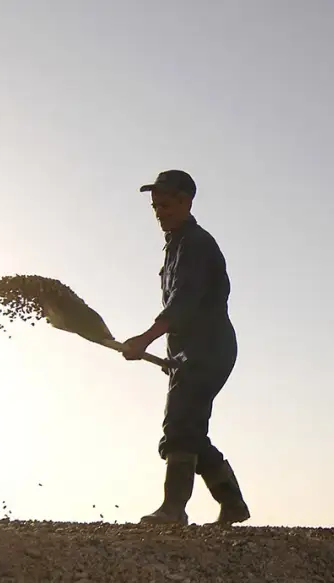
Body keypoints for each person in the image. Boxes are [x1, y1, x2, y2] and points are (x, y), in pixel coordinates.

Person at [122, 169, 250, 526]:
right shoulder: (175, 245)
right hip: (189, 352)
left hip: (208, 349)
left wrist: (144, 340)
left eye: (165, 204)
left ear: (186, 201)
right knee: (191, 431)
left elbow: (183, 304)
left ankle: (173, 509)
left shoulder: (196, 244)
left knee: (179, 426)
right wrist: (171, 355)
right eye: (155, 206)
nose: (159, 211)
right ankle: (233, 504)